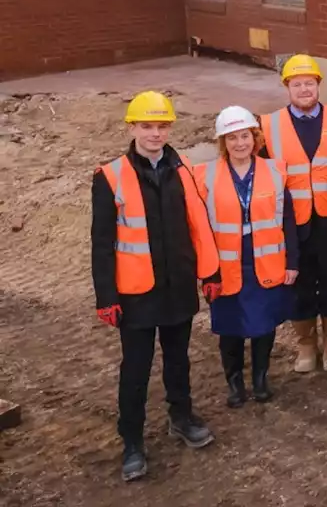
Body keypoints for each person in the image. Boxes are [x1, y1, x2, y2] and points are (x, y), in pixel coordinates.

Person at [90, 91, 220, 482]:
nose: (155, 134)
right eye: (147, 126)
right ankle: (132, 441)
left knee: (178, 360)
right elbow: (101, 243)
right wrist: (106, 297)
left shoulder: (183, 171)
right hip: (136, 294)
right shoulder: (109, 176)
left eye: (162, 126)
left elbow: (199, 226)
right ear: (132, 128)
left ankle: (181, 417)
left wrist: (210, 273)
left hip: (177, 286)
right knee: (136, 369)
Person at [193, 106, 300, 409]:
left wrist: (292, 262)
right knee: (230, 327)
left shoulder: (275, 171)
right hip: (226, 266)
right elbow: (199, 227)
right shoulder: (205, 175)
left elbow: (287, 220)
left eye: (245, 136)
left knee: (264, 324)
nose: (240, 144)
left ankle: (261, 379)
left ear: (255, 138)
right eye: (232, 138)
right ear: (222, 143)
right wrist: (204, 268)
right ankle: (235, 382)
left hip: (265, 262)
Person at [259, 54, 327, 374]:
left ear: (319, 85)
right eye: (297, 84)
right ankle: (305, 343)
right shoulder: (269, 126)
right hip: (291, 223)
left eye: (309, 83)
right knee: (299, 282)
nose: (304, 89)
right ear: (287, 88)